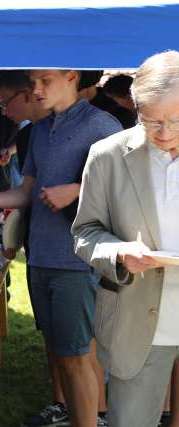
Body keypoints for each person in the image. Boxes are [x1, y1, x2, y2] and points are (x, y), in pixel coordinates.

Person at [0, 69, 122, 427]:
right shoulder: (37, 131)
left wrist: (76, 191)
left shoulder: (103, 125)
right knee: (58, 352)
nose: (36, 89)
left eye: (44, 81)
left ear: (71, 77)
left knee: (76, 355)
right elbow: (27, 192)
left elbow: (125, 194)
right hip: (39, 257)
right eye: (34, 82)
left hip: (76, 259)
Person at [72, 50, 179, 427]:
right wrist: (118, 253)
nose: (165, 133)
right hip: (138, 321)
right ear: (135, 108)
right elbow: (85, 232)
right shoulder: (107, 157)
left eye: (175, 121)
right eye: (152, 121)